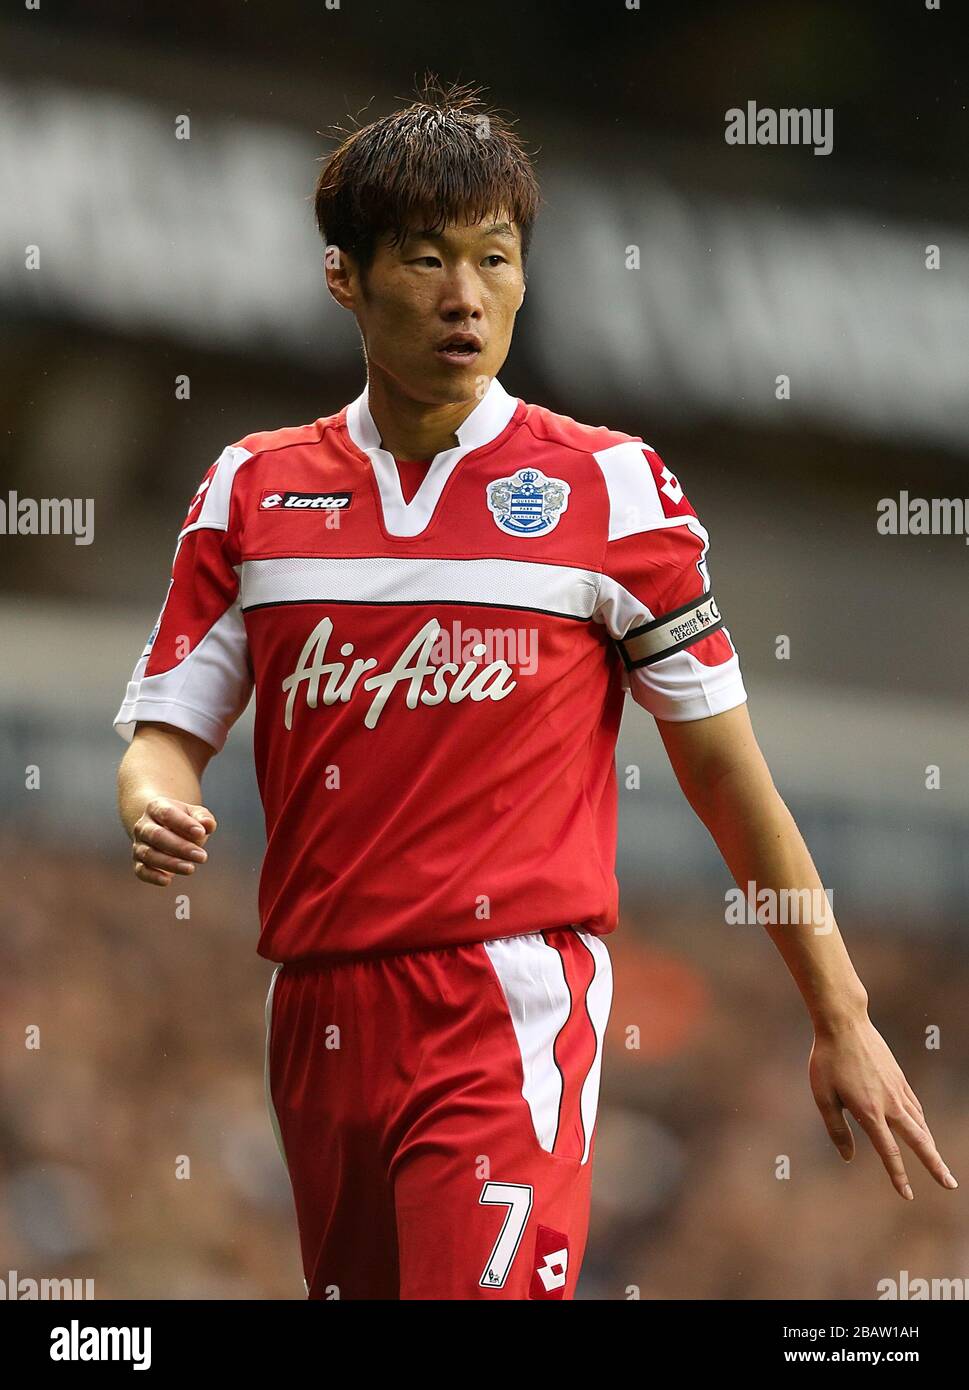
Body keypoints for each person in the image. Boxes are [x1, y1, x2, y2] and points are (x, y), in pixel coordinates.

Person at [114, 77, 956, 1301]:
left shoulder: (612, 492)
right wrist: (151, 799)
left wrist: (842, 1010)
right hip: (317, 1010)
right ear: (343, 276)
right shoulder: (252, 492)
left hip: (503, 997)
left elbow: (727, 774)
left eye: (495, 258)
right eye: (425, 259)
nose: (467, 296)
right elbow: (163, 731)